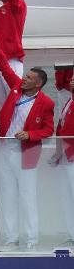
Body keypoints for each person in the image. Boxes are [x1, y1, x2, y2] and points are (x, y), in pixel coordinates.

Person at [0, 31, 54, 251]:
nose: (24, 79)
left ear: (38, 84)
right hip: (6, 148)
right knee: (8, 195)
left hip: (27, 153)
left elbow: (48, 129)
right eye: (25, 76)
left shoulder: (46, 102)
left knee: (27, 197)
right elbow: (4, 67)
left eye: (29, 78)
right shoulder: (15, 88)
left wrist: (30, 134)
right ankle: (11, 238)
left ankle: (31, 239)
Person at [51, 71, 74, 245]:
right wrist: (58, 151)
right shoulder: (69, 101)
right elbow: (61, 127)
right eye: (72, 79)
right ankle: (71, 233)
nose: (72, 81)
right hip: (67, 154)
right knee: (67, 196)